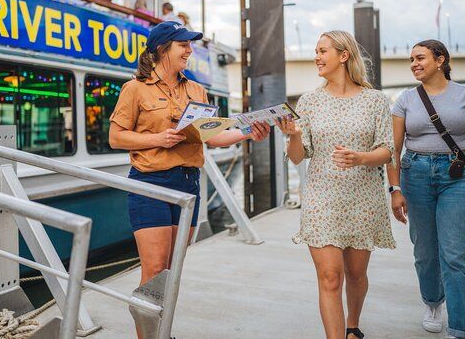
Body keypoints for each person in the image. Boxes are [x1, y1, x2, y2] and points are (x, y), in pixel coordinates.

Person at [108, 21, 270, 339]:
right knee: (154, 270)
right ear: (162, 49)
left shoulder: (196, 90)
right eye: (183, 45)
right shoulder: (135, 88)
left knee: (171, 273)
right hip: (150, 185)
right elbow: (116, 137)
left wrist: (250, 132)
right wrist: (158, 139)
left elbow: (213, 137)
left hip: (189, 185)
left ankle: (163, 332)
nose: (189, 50)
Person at [276, 30, 395, 339]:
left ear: (344, 56)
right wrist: (294, 135)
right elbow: (298, 157)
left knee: (356, 274)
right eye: (316, 51)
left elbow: (387, 151)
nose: (316, 56)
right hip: (321, 197)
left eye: (322, 50)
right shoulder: (309, 101)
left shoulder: (376, 100)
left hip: (363, 198)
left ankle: (352, 326)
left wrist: (360, 159)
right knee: (330, 277)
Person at [387, 39, 465, 339]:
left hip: (458, 177)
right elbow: (393, 148)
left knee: (455, 254)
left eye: (420, 57)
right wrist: (395, 189)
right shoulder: (405, 100)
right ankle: (432, 302)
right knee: (425, 251)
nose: (414, 63)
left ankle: (461, 330)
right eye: (411, 59)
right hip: (415, 175)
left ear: (441, 60)